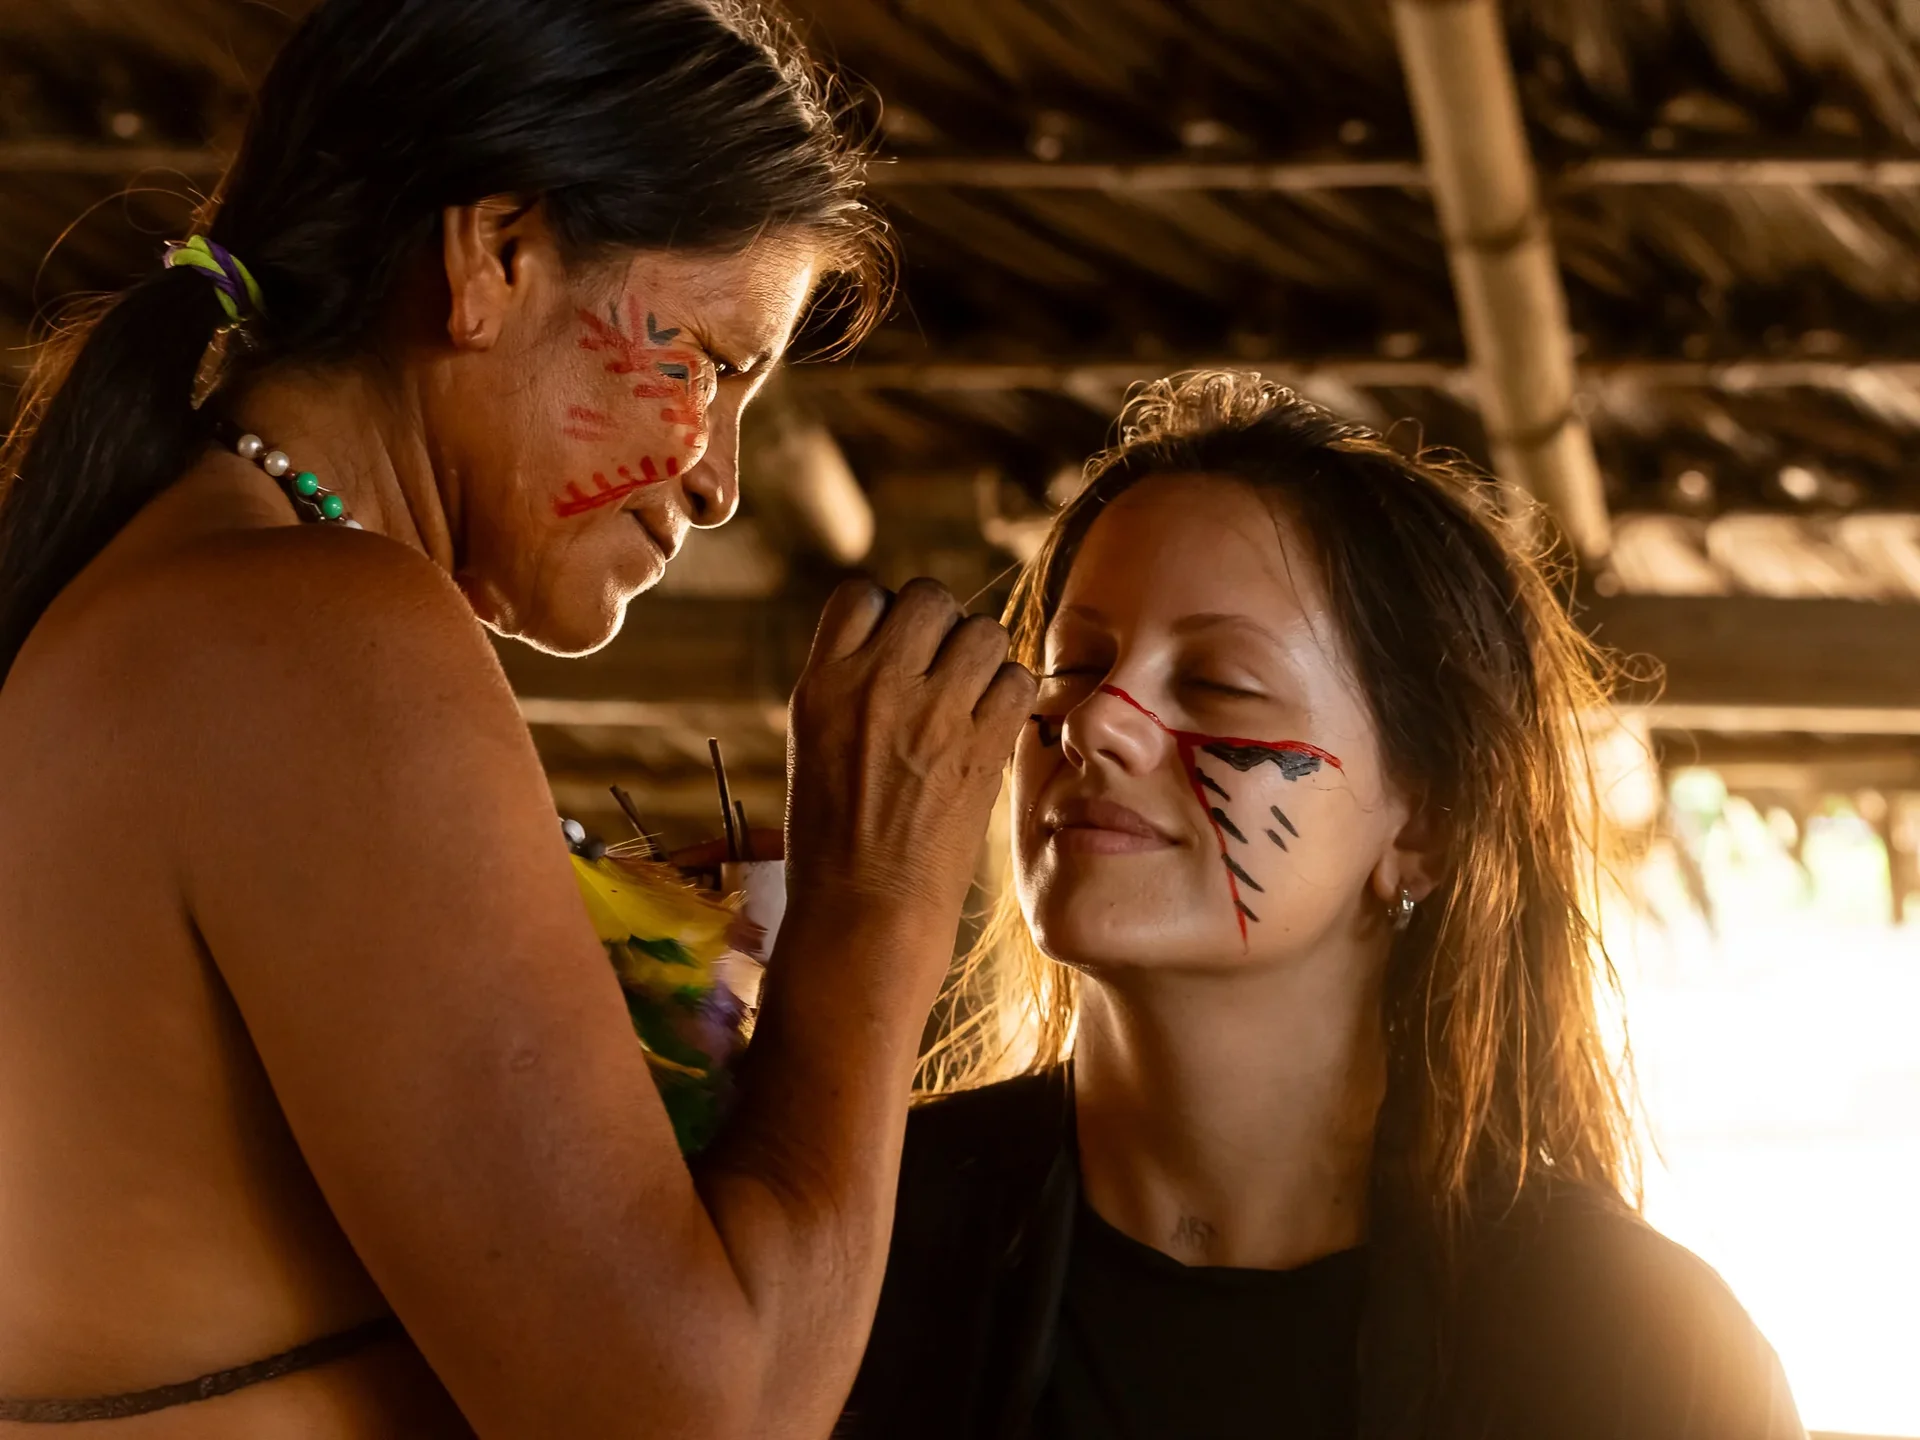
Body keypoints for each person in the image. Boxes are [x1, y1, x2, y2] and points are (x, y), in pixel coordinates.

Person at [0, 1, 1033, 1435]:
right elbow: (690, 1421)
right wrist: (879, 908)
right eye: (714, 362)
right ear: (496, 260)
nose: (722, 476)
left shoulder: (196, 604)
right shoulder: (310, 635)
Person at [841, 373, 1805, 1440]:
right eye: (1075, 665)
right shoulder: (859, 1233)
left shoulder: (1632, 1350)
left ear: (1420, 831)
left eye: (1215, 685)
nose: (1096, 724)